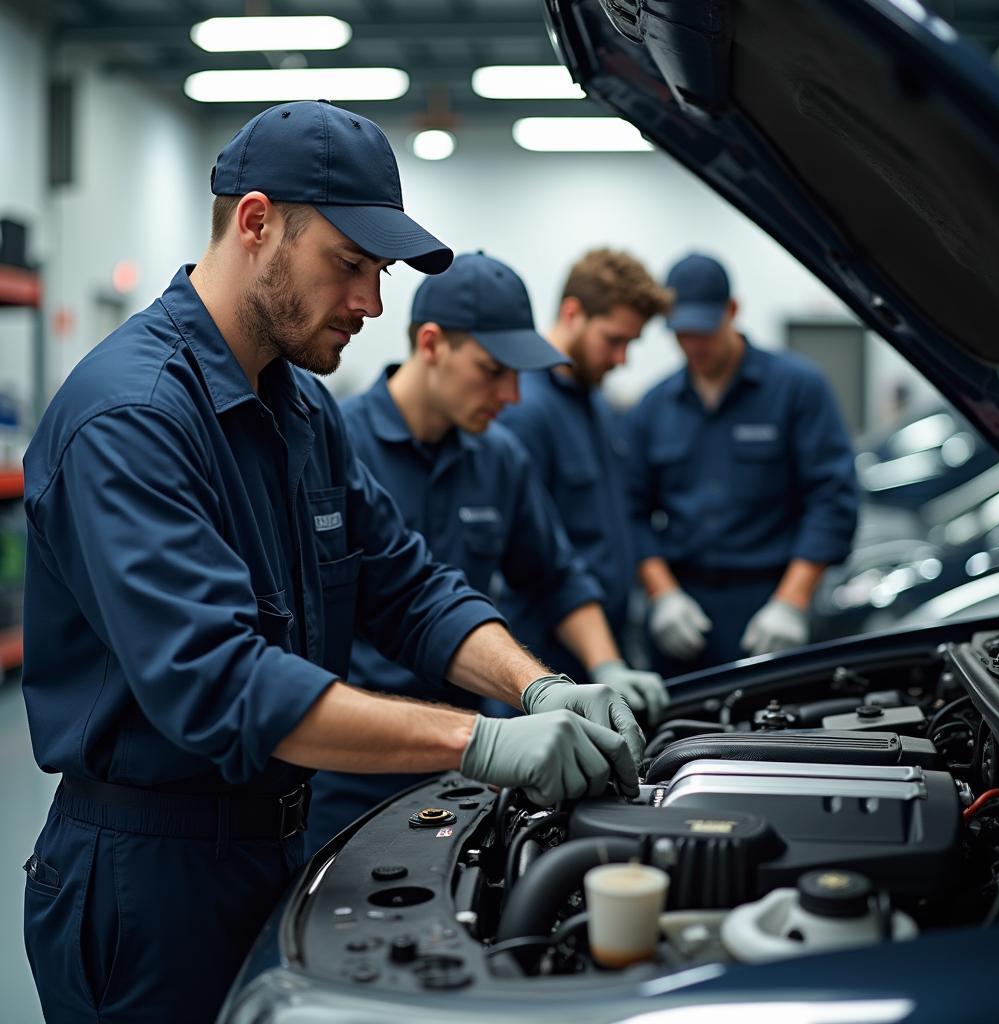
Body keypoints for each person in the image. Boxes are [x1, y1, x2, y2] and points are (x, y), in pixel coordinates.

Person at [19, 101, 643, 1024]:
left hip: (281, 848)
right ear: (257, 222)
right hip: (149, 875)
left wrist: (537, 688)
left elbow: (405, 583)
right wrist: (483, 742)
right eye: (349, 265)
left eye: (379, 272)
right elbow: (223, 684)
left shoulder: (302, 413)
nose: (372, 303)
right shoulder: (133, 418)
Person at [305, 251, 668, 850]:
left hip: (467, 768)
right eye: (493, 370)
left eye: (519, 375)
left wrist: (605, 668)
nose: (512, 395)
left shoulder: (499, 459)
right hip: (352, 773)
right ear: (431, 344)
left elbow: (554, 576)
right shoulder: (338, 447)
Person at [628, 252, 858, 672]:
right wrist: (662, 595)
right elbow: (631, 511)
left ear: (732, 311)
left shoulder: (797, 389)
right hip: (684, 608)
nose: (693, 345)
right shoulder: (654, 406)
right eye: (681, 333)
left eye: (704, 330)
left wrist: (792, 602)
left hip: (772, 599)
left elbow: (832, 499)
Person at [498, 248, 673, 680]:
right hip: (546, 658)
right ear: (572, 312)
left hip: (603, 647)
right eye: (614, 340)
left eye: (630, 344)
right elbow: (529, 561)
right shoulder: (524, 409)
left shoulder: (594, 401)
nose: (622, 359)